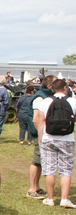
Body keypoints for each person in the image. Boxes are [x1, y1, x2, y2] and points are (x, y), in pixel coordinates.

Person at [36, 78, 76, 208]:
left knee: (49, 169)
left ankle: (50, 198)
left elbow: (41, 122)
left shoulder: (46, 102)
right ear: (65, 88)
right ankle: (64, 199)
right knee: (66, 170)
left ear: (52, 89)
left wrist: (40, 138)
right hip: (67, 138)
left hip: (49, 137)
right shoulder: (73, 101)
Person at [26, 75, 56, 199]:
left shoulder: (45, 96)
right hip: (40, 134)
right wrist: (41, 136)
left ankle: (37, 187)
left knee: (40, 163)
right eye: (55, 83)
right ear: (49, 86)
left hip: (43, 134)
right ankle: (32, 189)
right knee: (36, 162)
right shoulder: (39, 97)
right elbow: (36, 119)